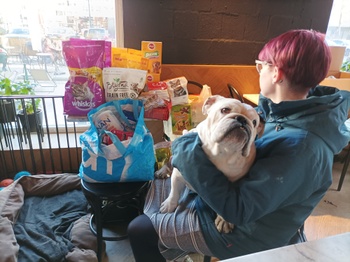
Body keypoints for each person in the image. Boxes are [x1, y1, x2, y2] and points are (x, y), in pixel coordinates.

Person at [127, 29, 350, 261]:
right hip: (237, 200)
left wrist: (184, 147)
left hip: (247, 233)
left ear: (276, 72)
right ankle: (175, 248)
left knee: (139, 229)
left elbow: (239, 210)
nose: (259, 71)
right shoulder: (286, 112)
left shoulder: (303, 148)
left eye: (260, 66)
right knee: (155, 189)